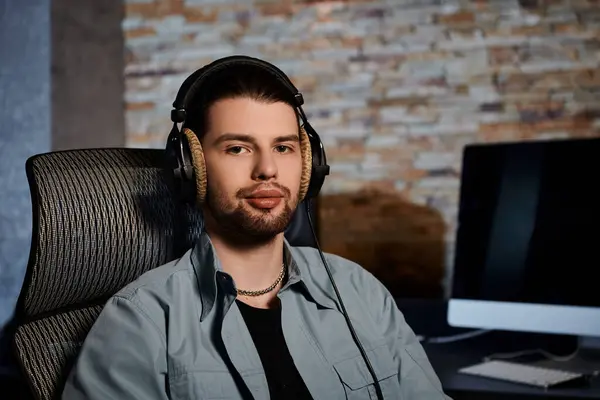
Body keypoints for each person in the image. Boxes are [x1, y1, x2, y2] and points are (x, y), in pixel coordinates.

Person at [62, 56, 450, 400]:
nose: (267, 169)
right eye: (237, 148)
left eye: (283, 147)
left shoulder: (359, 291)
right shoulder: (140, 323)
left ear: (308, 168)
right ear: (192, 168)